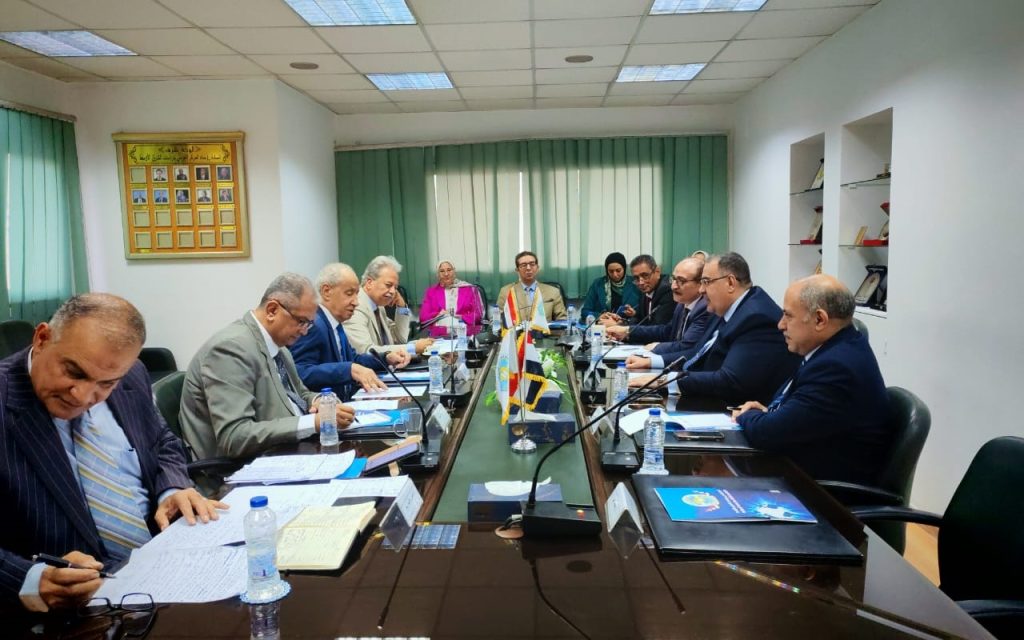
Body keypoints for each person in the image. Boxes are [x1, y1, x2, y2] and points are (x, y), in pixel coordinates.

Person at [0, 293, 224, 611]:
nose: (82, 396)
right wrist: (30, 579)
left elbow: (162, 441)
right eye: (73, 372)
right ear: (42, 338)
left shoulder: (132, 375)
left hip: (167, 563)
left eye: (105, 384)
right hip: (71, 608)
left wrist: (172, 488)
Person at [732, 275, 890, 485]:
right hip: (801, 470)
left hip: (821, 492)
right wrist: (768, 415)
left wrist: (748, 415)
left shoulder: (836, 367)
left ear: (819, 320)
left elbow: (766, 434)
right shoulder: (833, 348)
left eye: (788, 316)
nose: (780, 325)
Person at [180, 273, 356, 460]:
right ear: (272, 310)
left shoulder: (279, 348)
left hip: (288, 452)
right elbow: (234, 436)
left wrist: (321, 401)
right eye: (301, 322)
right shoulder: (230, 349)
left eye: (309, 324)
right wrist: (314, 422)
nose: (304, 332)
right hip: (239, 468)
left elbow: (300, 394)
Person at [630, 252, 799, 408]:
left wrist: (665, 381)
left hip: (734, 411)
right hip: (708, 398)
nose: (701, 290)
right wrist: (654, 365)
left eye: (706, 282)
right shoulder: (727, 308)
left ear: (730, 283)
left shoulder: (755, 317)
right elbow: (697, 353)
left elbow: (729, 380)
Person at [291, 263, 409, 400]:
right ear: (326, 291)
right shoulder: (314, 324)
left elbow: (354, 359)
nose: (356, 302)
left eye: (356, 294)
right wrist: (348, 369)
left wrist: (386, 358)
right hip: (327, 407)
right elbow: (299, 372)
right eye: (349, 293)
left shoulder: (336, 323)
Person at [611, 256, 710, 361]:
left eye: (681, 281)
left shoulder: (704, 309)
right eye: (674, 279)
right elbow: (667, 331)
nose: (673, 286)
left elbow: (688, 347)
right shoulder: (682, 304)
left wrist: (656, 349)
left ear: (701, 283)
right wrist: (626, 330)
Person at [343, 256, 433, 357]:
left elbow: (400, 339)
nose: (393, 291)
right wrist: (413, 348)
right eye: (388, 285)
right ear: (369, 283)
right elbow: (365, 351)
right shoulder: (355, 306)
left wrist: (402, 307)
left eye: (395, 287)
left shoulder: (378, 307)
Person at [599, 255, 673, 327]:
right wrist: (622, 321)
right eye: (636, 278)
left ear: (657, 271)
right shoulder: (647, 290)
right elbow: (641, 319)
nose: (641, 282)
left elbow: (657, 328)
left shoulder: (667, 291)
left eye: (645, 275)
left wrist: (620, 326)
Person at [495, 251, 567, 322]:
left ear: (537, 268)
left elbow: (562, 319)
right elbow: (496, 320)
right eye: (524, 265)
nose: (528, 268)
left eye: (532, 264)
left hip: (546, 329)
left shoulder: (552, 292)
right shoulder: (506, 291)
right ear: (517, 270)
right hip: (516, 329)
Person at [418, 260, 485, 337]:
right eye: (442, 271)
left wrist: (459, 317)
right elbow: (423, 317)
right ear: (438, 274)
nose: (446, 274)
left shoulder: (469, 289)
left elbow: (478, 315)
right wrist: (439, 314)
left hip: (464, 331)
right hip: (440, 334)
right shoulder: (431, 292)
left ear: (454, 271)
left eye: (449, 270)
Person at [580, 252, 640, 321]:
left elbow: (644, 312)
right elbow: (585, 312)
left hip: (626, 324)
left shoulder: (635, 283)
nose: (615, 274)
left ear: (624, 268)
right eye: (611, 271)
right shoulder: (598, 284)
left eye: (618, 271)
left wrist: (634, 313)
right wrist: (599, 316)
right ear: (606, 270)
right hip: (603, 324)